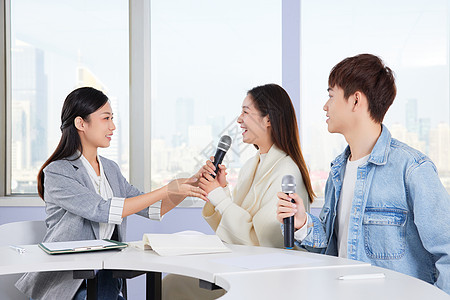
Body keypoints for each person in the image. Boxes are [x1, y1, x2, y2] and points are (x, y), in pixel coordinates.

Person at [276, 54, 450, 294]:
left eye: (330, 95)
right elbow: (332, 247)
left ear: (356, 100)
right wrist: (303, 223)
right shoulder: (338, 169)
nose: (325, 106)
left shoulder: (411, 169)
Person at [15, 87, 207, 300]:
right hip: (69, 285)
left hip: (106, 280)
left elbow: (153, 208)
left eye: (112, 118)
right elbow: (101, 210)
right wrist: (166, 188)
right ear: (81, 123)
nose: (113, 126)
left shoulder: (111, 169)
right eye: (106, 118)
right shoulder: (58, 172)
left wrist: (189, 185)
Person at [162, 83, 315, 299]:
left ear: (268, 119)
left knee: (172, 286)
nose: (238, 120)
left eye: (245, 112)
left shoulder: (287, 172)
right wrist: (220, 190)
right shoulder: (251, 166)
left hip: (267, 280)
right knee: (171, 283)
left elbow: (263, 242)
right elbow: (232, 231)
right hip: (243, 269)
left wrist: (220, 197)